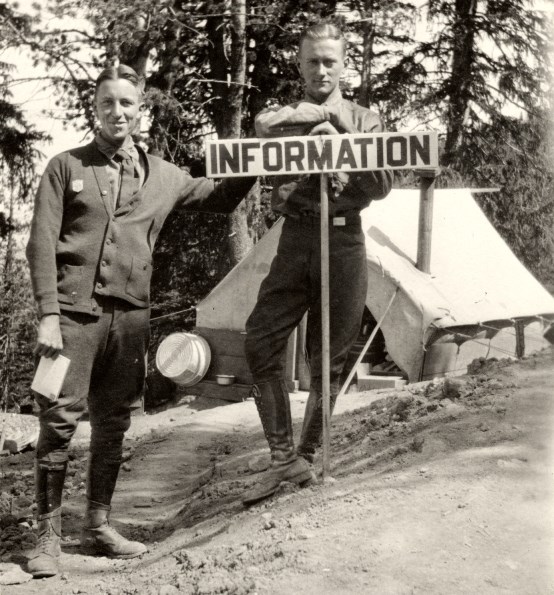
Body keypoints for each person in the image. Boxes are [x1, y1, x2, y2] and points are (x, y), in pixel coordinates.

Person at [25, 64, 254, 578]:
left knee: (115, 420)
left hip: (129, 323)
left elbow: (217, 199)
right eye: (107, 103)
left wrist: (254, 160)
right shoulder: (66, 167)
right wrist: (47, 315)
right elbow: (40, 242)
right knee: (59, 419)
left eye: (127, 103)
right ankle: (46, 536)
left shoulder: (164, 174)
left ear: (139, 109)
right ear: (95, 109)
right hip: (72, 320)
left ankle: (100, 525)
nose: (117, 112)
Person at [243, 22, 394, 505]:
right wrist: (302, 118)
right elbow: (261, 130)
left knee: (329, 359)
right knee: (260, 339)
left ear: (344, 64)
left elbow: (383, 183)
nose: (321, 69)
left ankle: (306, 458)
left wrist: (342, 130)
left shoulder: (366, 119)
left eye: (330, 60)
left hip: (344, 240)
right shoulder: (286, 115)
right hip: (295, 238)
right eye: (312, 61)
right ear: (300, 65)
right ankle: (282, 458)